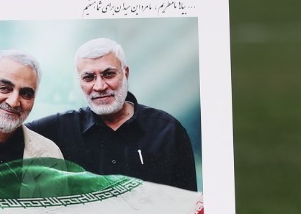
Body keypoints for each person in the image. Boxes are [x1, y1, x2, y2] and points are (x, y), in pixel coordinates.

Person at [27, 37, 198, 192]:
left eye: (108, 74)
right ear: (80, 82)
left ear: (126, 73)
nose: (100, 86)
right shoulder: (61, 129)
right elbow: (14, 135)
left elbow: (189, 205)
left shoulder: (167, 130)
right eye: (89, 77)